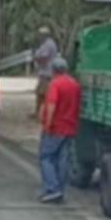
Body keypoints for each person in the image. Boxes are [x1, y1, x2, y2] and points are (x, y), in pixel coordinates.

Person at [37, 57, 80, 204]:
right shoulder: (74, 84)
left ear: (53, 69)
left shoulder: (54, 84)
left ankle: (52, 188)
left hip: (56, 127)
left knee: (46, 157)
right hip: (69, 127)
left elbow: (51, 104)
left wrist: (48, 124)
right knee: (63, 159)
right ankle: (60, 189)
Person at [32, 26, 58, 118]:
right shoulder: (45, 44)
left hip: (47, 73)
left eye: (40, 34)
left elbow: (44, 58)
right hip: (45, 72)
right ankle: (38, 113)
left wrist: (35, 59)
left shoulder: (48, 45)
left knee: (43, 94)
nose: (39, 36)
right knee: (40, 94)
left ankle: (42, 114)